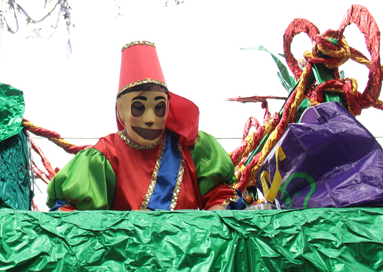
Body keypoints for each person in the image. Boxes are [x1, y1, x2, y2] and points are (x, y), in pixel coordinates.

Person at [46, 41, 241, 211]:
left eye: (159, 108)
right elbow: (71, 217)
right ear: (120, 110)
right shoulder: (105, 156)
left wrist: (219, 209)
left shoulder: (191, 146)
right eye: (138, 107)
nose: (150, 118)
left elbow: (221, 195)